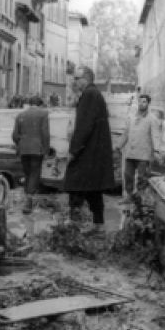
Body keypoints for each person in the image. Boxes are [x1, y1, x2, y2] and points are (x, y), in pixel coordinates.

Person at [62, 65, 116, 235]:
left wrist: (73, 151)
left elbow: (84, 127)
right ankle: (98, 225)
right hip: (95, 153)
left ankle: (73, 224)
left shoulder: (89, 95)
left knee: (76, 185)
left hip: (88, 153)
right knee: (93, 189)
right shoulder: (94, 94)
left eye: (76, 79)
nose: (74, 82)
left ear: (86, 79)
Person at [117, 93, 162, 201]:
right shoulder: (132, 117)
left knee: (142, 177)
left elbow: (155, 135)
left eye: (144, 102)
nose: (141, 104)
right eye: (140, 101)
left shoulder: (152, 119)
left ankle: (140, 199)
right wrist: (118, 146)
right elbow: (126, 133)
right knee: (128, 175)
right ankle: (128, 196)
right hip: (131, 152)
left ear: (148, 103)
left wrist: (156, 150)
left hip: (143, 154)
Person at [11, 95, 50, 214]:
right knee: (34, 173)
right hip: (37, 149)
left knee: (27, 173)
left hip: (23, 149)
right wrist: (46, 149)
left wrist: (21, 142)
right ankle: (28, 201)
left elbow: (14, 136)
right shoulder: (43, 114)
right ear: (39, 104)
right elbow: (45, 133)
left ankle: (27, 198)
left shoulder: (20, 115)